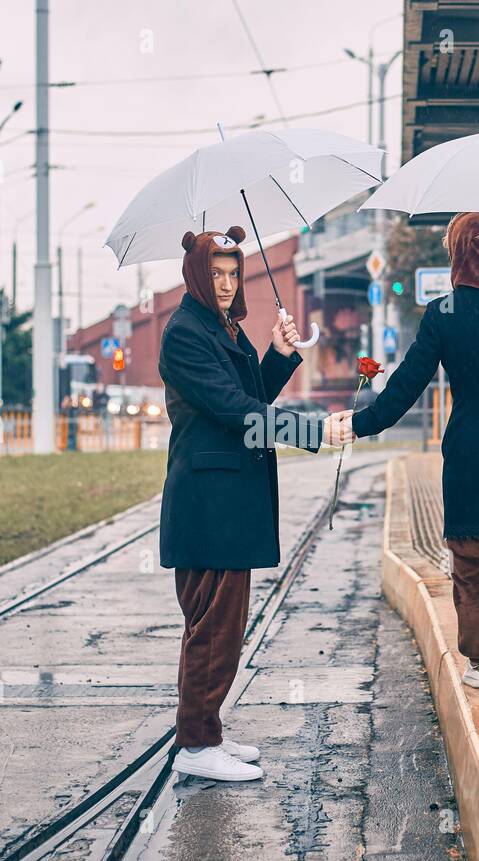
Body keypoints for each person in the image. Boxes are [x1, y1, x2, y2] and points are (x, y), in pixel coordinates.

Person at [158, 225, 352, 782]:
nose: (225, 283)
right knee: (213, 627)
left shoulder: (222, 327)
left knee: (222, 623)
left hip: (227, 499)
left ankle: (207, 731)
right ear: (196, 275)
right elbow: (236, 414)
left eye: (232, 273)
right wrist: (315, 432)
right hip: (209, 502)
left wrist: (279, 354)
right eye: (215, 273)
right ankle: (195, 747)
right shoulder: (185, 334)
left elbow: (251, 399)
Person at [347, 211, 479, 698]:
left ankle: (478, 662)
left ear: (458, 257)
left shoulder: (443, 313)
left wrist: (360, 423)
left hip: (469, 460)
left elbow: (405, 384)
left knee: (473, 565)